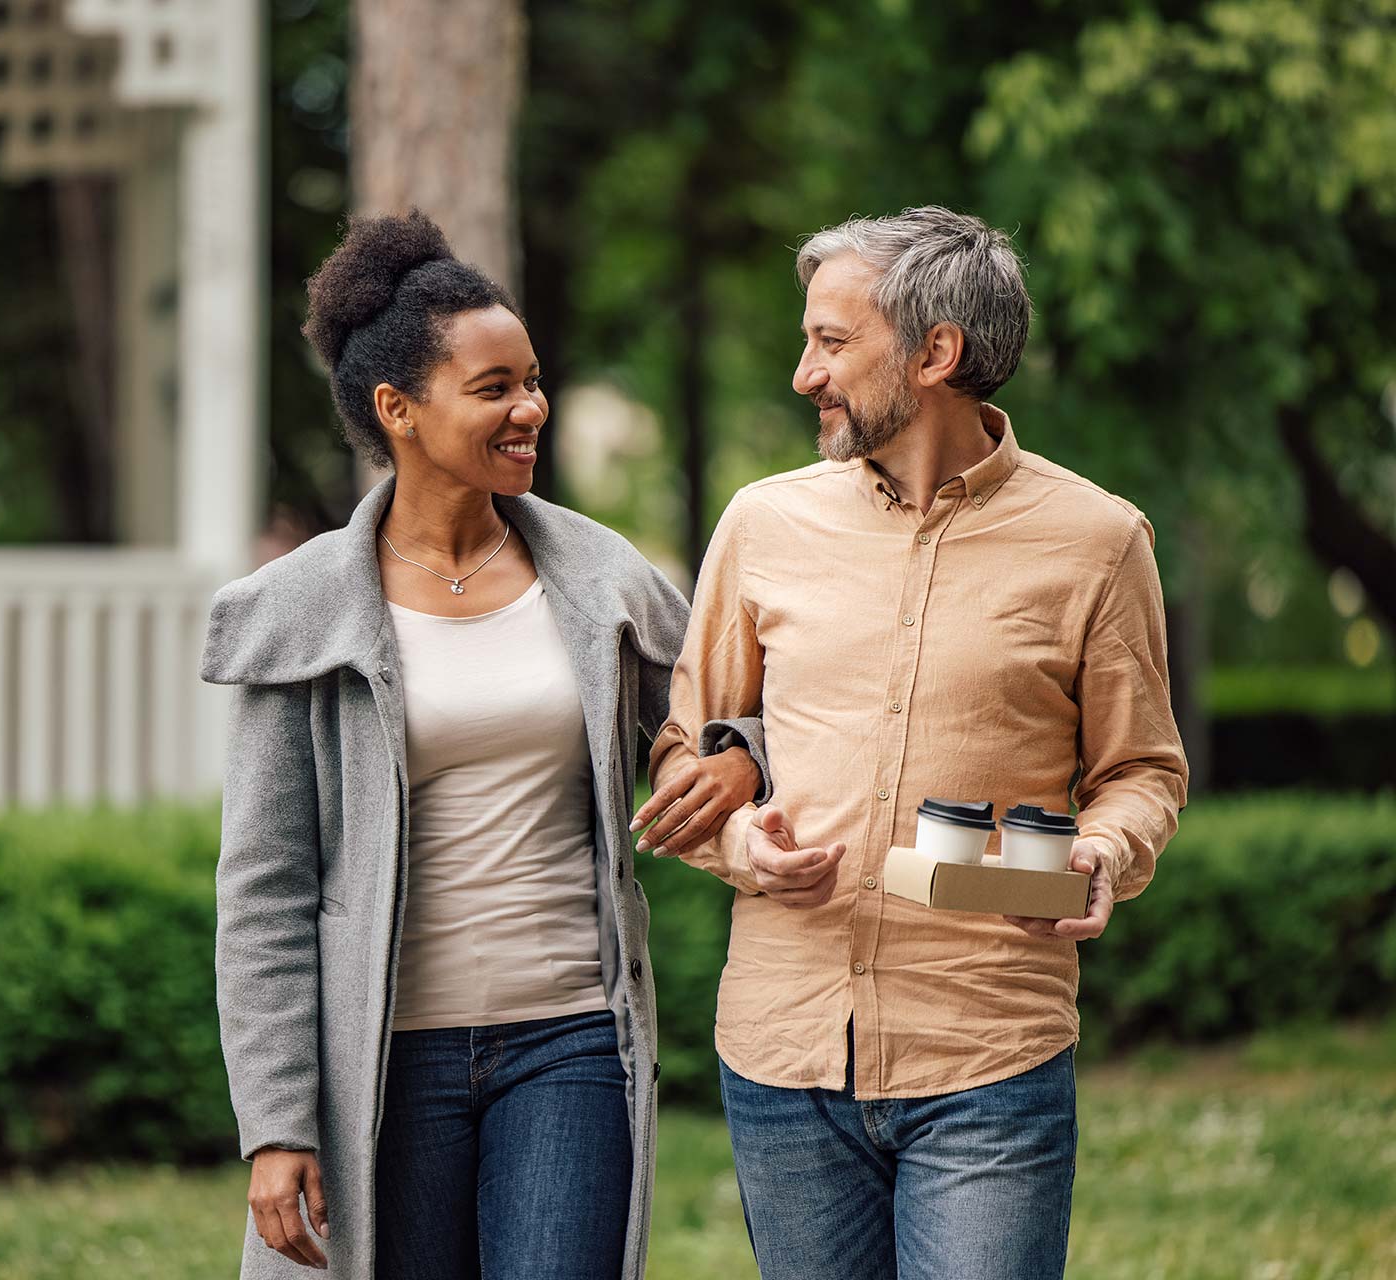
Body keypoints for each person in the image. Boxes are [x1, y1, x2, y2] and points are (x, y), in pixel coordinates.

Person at [200, 210, 768, 1279]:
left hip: (569, 1042)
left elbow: (736, 703)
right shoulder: (302, 613)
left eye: (535, 380)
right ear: (398, 410)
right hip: (387, 1062)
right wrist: (277, 1121)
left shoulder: (603, 581)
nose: (532, 409)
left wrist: (737, 754)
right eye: (495, 387)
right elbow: (266, 889)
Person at [641, 206, 1188, 1279]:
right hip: (783, 1050)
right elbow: (682, 737)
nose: (805, 373)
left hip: (989, 1053)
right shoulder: (762, 524)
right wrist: (736, 841)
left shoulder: (1097, 539)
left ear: (936, 352)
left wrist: (1104, 850)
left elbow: (1141, 769)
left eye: (832, 342)